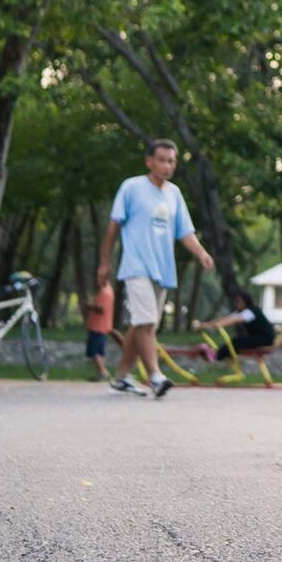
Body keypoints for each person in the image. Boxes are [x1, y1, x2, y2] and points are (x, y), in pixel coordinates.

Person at [99, 138, 215, 398]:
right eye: (162, 160)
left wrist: (201, 253)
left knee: (141, 325)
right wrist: (104, 262)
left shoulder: (174, 193)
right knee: (148, 323)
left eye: (171, 161)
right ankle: (155, 376)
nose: (167, 166)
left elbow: (185, 232)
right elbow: (113, 227)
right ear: (149, 161)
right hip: (136, 265)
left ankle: (121, 378)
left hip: (162, 270)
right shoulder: (131, 187)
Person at [82, 277, 117, 383]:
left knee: (93, 351)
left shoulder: (104, 292)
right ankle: (99, 373)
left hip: (98, 326)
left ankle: (103, 372)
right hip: (103, 326)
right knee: (100, 351)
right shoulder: (110, 290)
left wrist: (88, 306)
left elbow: (101, 309)